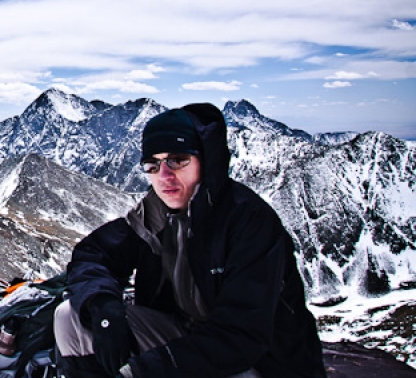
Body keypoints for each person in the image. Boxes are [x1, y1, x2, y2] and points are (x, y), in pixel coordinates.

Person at [53, 103, 326, 377]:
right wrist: (102, 306)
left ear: (204, 160)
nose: (164, 176)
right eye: (153, 164)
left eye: (178, 160)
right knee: (71, 317)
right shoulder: (154, 216)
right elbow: (94, 253)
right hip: (187, 340)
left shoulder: (248, 222)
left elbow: (242, 336)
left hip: (257, 363)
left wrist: (147, 369)